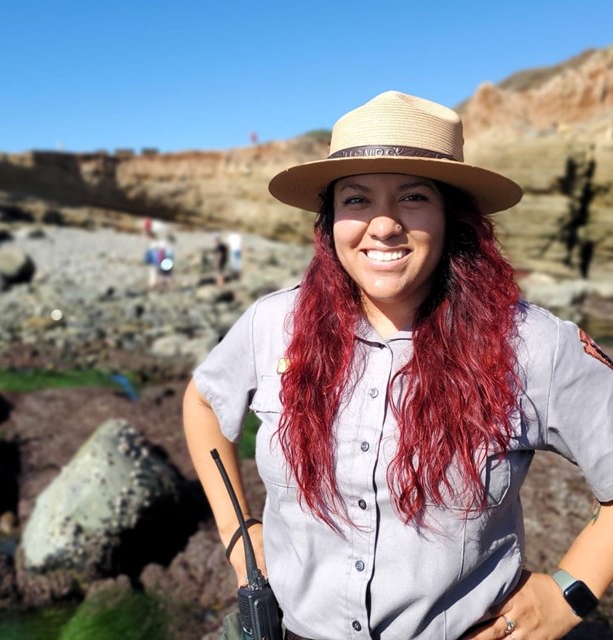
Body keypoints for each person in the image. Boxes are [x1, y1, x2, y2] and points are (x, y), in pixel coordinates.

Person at [183, 91, 613, 640]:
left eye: (412, 196)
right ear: (330, 220)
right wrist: (238, 532)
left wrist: (567, 595)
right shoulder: (273, 324)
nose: (383, 226)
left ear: (451, 214)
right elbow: (204, 403)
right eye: (356, 199)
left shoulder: (530, 345)